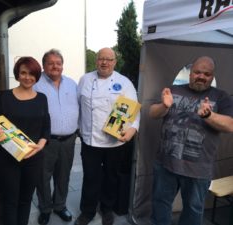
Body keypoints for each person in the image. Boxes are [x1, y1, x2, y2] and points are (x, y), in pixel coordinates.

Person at [149, 56, 233, 225]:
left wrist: (209, 115)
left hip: (198, 170)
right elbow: (152, 113)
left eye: (207, 74)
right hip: (166, 165)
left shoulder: (221, 97)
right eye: (197, 72)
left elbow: (230, 125)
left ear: (212, 76)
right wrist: (164, 106)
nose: (201, 76)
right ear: (190, 73)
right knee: (160, 206)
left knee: (193, 212)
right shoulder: (174, 90)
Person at [75, 47, 140, 225]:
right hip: (90, 140)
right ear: (96, 61)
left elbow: (134, 110)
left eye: (108, 59)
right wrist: (77, 128)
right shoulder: (85, 79)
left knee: (111, 177)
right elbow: (77, 105)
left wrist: (132, 130)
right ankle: (87, 211)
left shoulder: (124, 82)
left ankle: (107, 209)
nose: (104, 62)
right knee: (90, 177)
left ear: (114, 62)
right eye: (101, 58)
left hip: (114, 142)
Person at [0, 57, 51, 225]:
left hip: (33, 159)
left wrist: (40, 146)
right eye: (23, 73)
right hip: (7, 159)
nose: (27, 77)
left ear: (37, 75)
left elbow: (46, 128)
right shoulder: (5, 97)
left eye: (32, 73)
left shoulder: (42, 98)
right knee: (10, 201)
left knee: (26, 200)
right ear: (17, 74)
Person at [34, 49, 79, 225]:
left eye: (58, 63)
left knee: (63, 175)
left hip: (68, 140)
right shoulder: (36, 84)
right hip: (46, 141)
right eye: (51, 63)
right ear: (44, 65)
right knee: (43, 177)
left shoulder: (72, 84)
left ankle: (59, 206)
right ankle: (45, 208)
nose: (55, 66)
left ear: (62, 65)